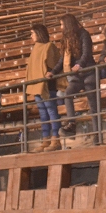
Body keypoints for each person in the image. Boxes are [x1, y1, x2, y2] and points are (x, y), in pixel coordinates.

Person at [47, 14, 99, 145]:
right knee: (68, 94)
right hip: (77, 75)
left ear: (68, 24)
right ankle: (72, 124)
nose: (61, 27)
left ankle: (97, 135)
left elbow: (87, 53)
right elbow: (61, 59)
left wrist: (79, 64)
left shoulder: (83, 34)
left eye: (62, 25)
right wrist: (53, 71)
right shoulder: (66, 39)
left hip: (88, 71)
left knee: (93, 105)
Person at [26, 24, 64, 152]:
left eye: (32, 33)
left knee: (51, 111)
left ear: (38, 33)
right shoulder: (35, 48)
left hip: (48, 84)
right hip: (36, 85)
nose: (31, 36)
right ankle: (45, 139)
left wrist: (51, 72)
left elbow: (55, 64)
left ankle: (55, 139)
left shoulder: (49, 46)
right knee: (43, 113)